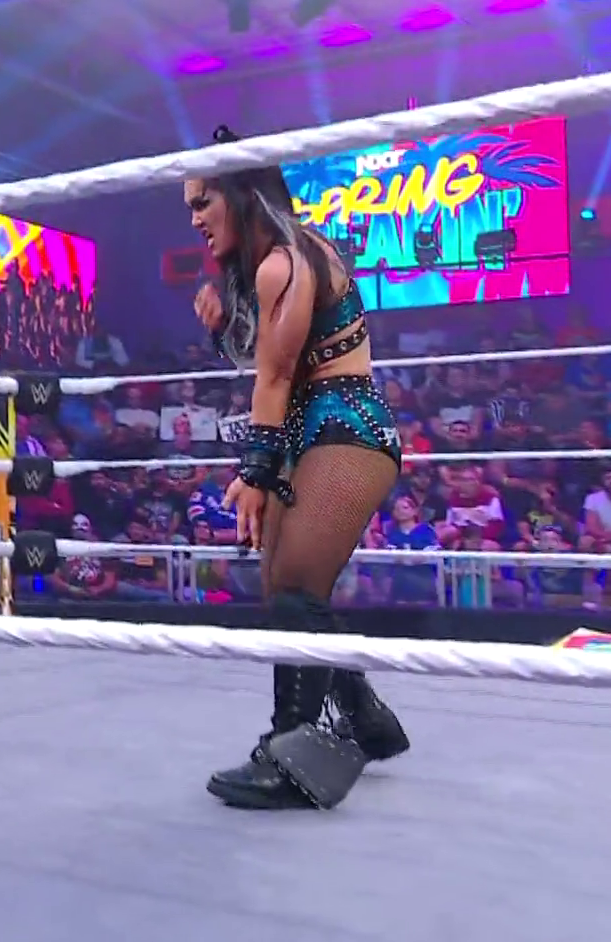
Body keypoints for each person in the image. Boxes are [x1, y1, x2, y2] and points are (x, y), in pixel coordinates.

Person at [185, 126, 410, 811]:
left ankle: (290, 758)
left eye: (202, 202)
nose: (195, 219)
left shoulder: (286, 260)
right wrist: (220, 329)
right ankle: (364, 717)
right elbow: (270, 362)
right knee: (287, 593)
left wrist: (255, 473)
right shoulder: (274, 262)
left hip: (345, 424)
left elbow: (277, 376)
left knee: (294, 591)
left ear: (239, 193)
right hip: (306, 428)